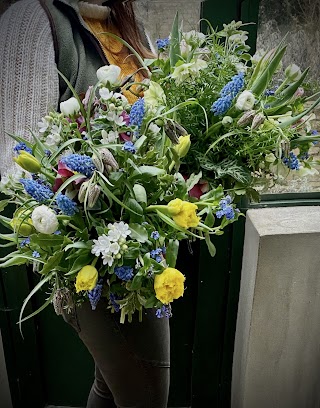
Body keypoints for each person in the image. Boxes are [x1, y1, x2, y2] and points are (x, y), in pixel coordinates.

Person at [0, 1, 170, 407]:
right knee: (146, 395)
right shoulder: (32, 19)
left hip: (145, 245)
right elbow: (15, 163)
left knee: (111, 387)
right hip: (89, 254)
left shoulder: (127, 25)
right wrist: (92, 184)